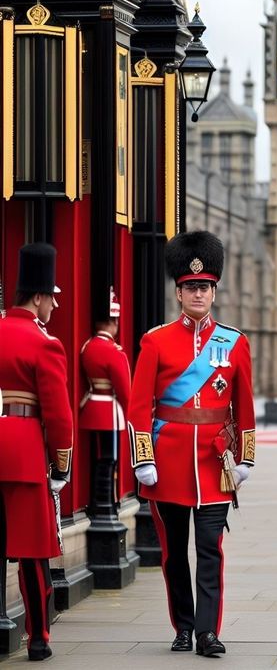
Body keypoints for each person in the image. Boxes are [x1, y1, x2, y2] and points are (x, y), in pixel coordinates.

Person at [127, 231, 255, 657]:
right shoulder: (156, 340)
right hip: (167, 463)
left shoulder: (234, 343)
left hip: (214, 464)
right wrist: (143, 459)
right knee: (174, 555)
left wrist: (246, 460)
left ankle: (207, 632)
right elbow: (138, 406)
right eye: (190, 287)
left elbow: (245, 406)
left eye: (205, 287)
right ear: (179, 292)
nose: (198, 293)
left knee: (210, 550)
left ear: (214, 291)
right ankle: (182, 626)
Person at [0, 243, 73, 661]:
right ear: (40, 296)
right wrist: (60, 464)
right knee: (31, 553)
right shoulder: (45, 343)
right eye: (52, 298)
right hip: (25, 453)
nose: (55, 305)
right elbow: (59, 416)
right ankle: (39, 637)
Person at [79, 288, 130, 515]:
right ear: (113, 322)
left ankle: (96, 502)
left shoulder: (87, 347)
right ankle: (105, 504)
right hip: (110, 410)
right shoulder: (115, 351)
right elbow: (125, 391)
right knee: (109, 459)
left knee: (95, 460)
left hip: (90, 408)